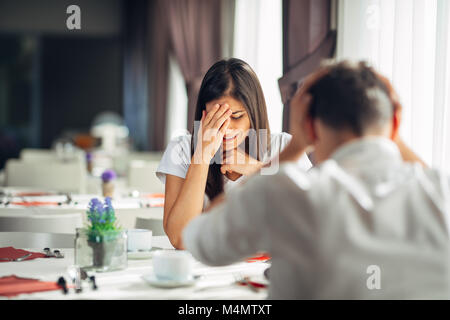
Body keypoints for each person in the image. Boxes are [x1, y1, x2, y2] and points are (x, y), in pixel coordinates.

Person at [182, 61, 450, 299]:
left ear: (308, 126)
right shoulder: (441, 189)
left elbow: (199, 239)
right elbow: (432, 182)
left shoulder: (287, 191)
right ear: (395, 120)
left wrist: (293, 148)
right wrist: (395, 131)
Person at [156, 58, 311, 249]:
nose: (226, 128)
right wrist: (202, 155)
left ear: (253, 112)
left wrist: (258, 170)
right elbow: (181, 239)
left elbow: (307, 224)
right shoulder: (182, 149)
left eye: (236, 117)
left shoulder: (283, 147)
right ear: (203, 114)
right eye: (216, 117)